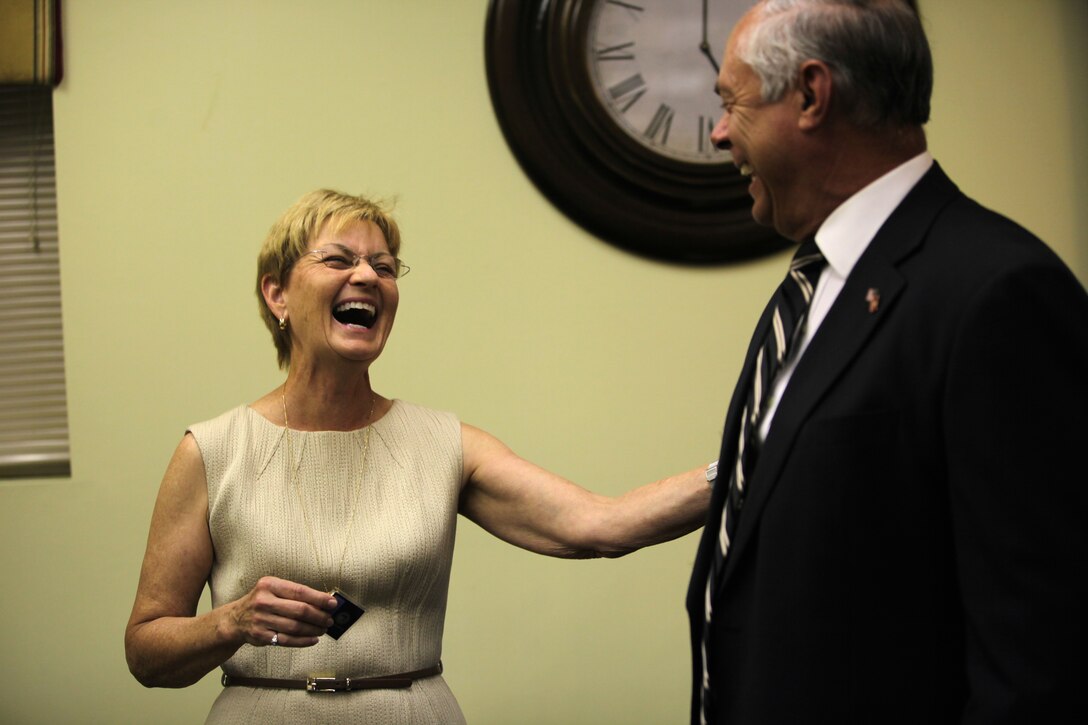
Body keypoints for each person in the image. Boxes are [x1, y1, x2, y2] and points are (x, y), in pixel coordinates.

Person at [124, 189, 711, 723]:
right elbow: (147, 651)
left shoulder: (444, 446)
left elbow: (599, 526)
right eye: (338, 259)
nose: (368, 276)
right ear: (276, 292)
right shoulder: (211, 450)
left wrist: (747, 463)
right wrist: (229, 621)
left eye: (384, 266)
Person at [687, 1, 1088, 723]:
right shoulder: (817, 288)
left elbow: (1037, 655)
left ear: (812, 95)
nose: (719, 134)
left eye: (731, 102)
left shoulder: (996, 291)